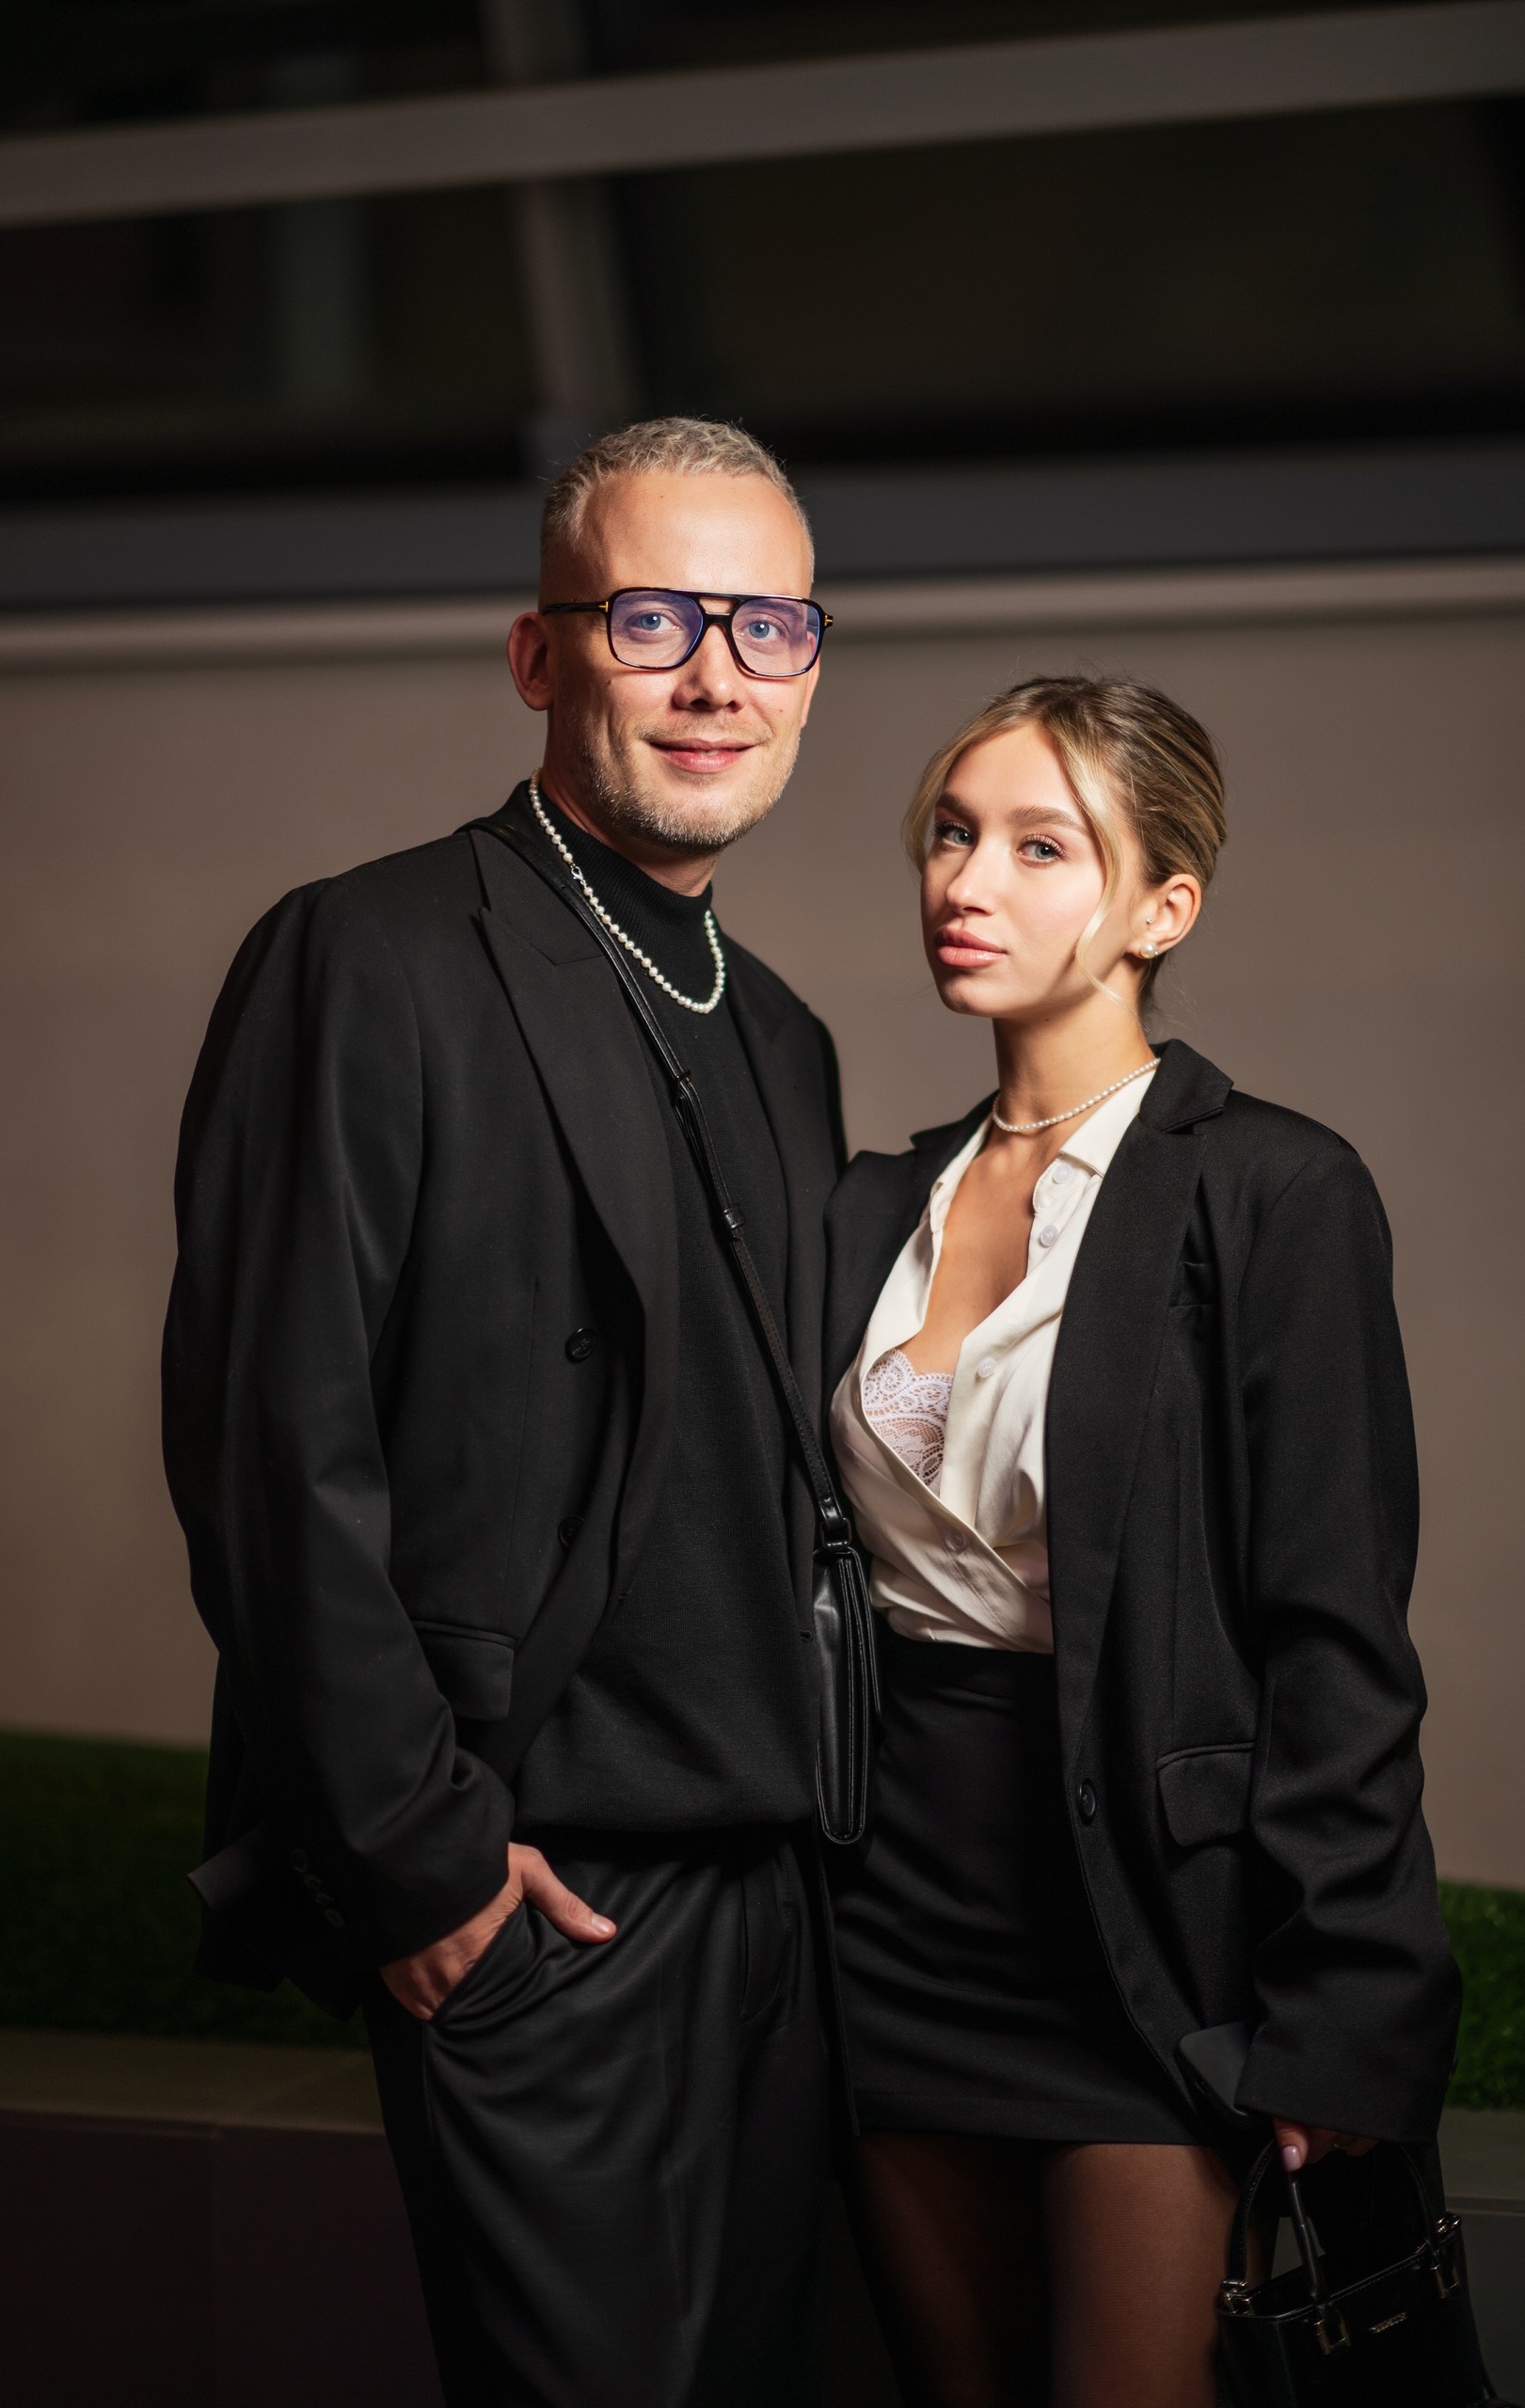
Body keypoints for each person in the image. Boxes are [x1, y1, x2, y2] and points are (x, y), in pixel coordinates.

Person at [162, 417, 848, 2408]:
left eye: (768, 625)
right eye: (652, 619)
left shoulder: (786, 1035)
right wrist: (428, 1870)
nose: (716, 675)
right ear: (540, 654)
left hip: (794, 1904)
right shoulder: (369, 954)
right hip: (543, 1899)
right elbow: (272, 1450)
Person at [821, 674, 1460, 2408]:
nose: (966, 880)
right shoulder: (866, 1204)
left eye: (1041, 846)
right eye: (950, 833)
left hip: (1144, 1938)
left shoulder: (1270, 1193)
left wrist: (1342, 2005)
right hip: (890, 1921)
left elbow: (1333, 1632)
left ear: (1160, 908)